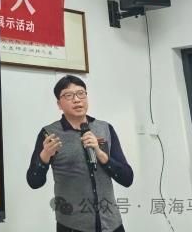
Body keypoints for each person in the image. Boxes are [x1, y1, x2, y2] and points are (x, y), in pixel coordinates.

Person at [27, 75, 133, 232]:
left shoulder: (105, 128)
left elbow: (127, 178)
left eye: (81, 93)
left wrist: (101, 154)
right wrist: (44, 157)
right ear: (59, 104)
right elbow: (34, 182)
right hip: (72, 226)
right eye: (68, 95)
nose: (77, 100)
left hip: (112, 224)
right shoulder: (49, 134)